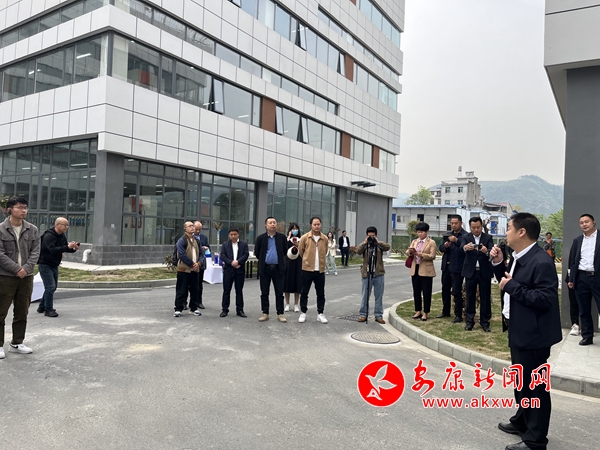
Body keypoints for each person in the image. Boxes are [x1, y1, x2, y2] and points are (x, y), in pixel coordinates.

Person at [490, 213, 561, 450]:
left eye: (509, 228)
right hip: (520, 328)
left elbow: (545, 299)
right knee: (522, 382)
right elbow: (507, 282)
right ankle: (522, 421)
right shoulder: (520, 257)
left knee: (535, 387)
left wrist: (512, 285)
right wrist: (499, 264)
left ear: (522, 232)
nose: (506, 232)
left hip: (534, 334)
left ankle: (535, 440)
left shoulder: (541, 261)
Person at [0, 197, 40, 358]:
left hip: (26, 277)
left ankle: (17, 342)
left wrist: (26, 269)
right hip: (5, 277)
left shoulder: (32, 229)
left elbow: (36, 251)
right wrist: (17, 269)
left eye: (25, 207)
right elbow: (0, 254)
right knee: (1, 311)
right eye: (20, 207)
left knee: (22, 311)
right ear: (10, 209)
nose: (24, 210)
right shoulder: (1, 229)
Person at [567, 213, 600, 345]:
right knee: (584, 309)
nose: (584, 224)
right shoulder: (577, 241)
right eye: (581, 223)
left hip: (597, 277)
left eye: (586, 221)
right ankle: (587, 336)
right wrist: (571, 279)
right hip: (581, 278)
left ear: (593, 222)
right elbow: (573, 262)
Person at [37, 217, 80, 317]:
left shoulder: (61, 236)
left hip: (54, 264)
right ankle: (48, 309)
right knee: (50, 287)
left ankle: (42, 306)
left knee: (53, 287)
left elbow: (63, 248)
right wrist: (67, 246)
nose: (67, 227)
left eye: (67, 225)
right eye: (65, 225)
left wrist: (73, 248)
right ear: (57, 225)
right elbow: (52, 250)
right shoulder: (48, 236)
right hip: (45, 264)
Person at [461, 216, 494, 332]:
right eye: (473, 227)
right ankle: (470, 321)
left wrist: (486, 251)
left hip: (484, 271)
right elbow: (461, 247)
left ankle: (485, 322)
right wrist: (466, 247)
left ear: (481, 227)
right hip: (471, 271)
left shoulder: (488, 237)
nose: (476, 230)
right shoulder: (466, 237)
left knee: (485, 297)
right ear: (470, 227)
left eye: (478, 227)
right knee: (470, 297)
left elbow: (492, 251)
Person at [254, 217, 288, 323]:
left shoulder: (282, 238)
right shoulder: (260, 238)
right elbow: (257, 252)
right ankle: (265, 313)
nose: (273, 224)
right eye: (270, 223)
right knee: (264, 292)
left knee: (279, 292)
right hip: (265, 268)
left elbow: (285, 251)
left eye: (274, 222)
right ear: (266, 225)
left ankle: (280, 313)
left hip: (278, 268)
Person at [356, 226, 390, 324]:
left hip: (378, 273)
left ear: (376, 235)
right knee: (365, 296)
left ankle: (378, 315)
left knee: (379, 296)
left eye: (373, 236)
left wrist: (378, 242)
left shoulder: (379, 245)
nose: (371, 238)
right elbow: (357, 251)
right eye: (369, 236)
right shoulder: (365, 246)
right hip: (367, 274)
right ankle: (363, 314)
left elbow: (387, 247)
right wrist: (364, 243)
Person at [298, 216, 329, 324]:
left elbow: (325, 251)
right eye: (314, 224)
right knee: (304, 292)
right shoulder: (305, 238)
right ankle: (303, 312)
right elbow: (301, 251)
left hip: (320, 270)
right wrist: (307, 261)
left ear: (321, 225)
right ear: (311, 225)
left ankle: (320, 313)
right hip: (307, 269)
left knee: (320, 293)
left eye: (318, 224)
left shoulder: (324, 238)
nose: (317, 226)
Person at [436, 214, 467, 321]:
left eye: (456, 223)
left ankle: (458, 314)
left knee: (456, 291)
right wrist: (445, 246)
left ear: (461, 223)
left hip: (457, 267)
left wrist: (456, 241)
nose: (453, 225)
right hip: (446, 266)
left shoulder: (465, 235)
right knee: (445, 289)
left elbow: (464, 248)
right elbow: (440, 248)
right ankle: (445, 311)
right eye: (452, 223)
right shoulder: (448, 234)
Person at [406, 222, 436, 321]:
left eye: (422, 232)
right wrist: (410, 252)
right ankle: (418, 310)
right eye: (418, 232)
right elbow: (407, 252)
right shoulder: (415, 241)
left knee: (426, 292)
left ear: (426, 232)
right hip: (415, 268)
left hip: (426, 269)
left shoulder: (431, 242)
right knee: (416, 291)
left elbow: (432, 256)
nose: (420, 234)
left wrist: (420, 254)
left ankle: (426, 312)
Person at [173, 222, 202, 318]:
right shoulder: (181, 240)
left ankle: (193, 308)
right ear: (185, 228)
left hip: (195, 270)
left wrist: (198, 263)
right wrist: (192, 264)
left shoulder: (197, 240)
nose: (192, 227)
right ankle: (178, 309)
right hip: (184, 269)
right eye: (190, 226)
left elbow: (201, 253)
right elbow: (182, 254)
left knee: (195, 289)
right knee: (181, 290)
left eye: (193, 226)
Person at [219, 228, 249, 318]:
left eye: (235, 234)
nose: (233, 236)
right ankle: (225, 310)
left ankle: (240, 310)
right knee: (226, 290)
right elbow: (223, 255)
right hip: (228, 270)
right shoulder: (225, 244)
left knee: (239, 290)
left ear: (238, 234)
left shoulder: (243, 244)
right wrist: (231, 262)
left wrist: (238, 262)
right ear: (229, 235)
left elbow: (246, 254)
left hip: (239, 270)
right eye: (231, 234)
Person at [284, 222, 302, 312]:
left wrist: (298, 245)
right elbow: (284, 249)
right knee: (287, 284)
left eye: (296, 229)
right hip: (288, 264)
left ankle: (296, 304)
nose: (295, 230)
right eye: (293, 229)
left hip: (298, 264)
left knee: (297, 284)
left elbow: (303, 251)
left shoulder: (301, 240)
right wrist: (288, 237)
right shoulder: (287, 240)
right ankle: (287, 304)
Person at [193, 221, 210, 310]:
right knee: (188, 284)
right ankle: (185, 302)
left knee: (199, 284)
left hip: (201, 263)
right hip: (191, 263)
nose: (198, 231)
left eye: (200, 229)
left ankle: (199, 301)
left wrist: (206, 248)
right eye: (196, 229)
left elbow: (208, 247)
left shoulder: (204, 237)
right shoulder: (189, 237)